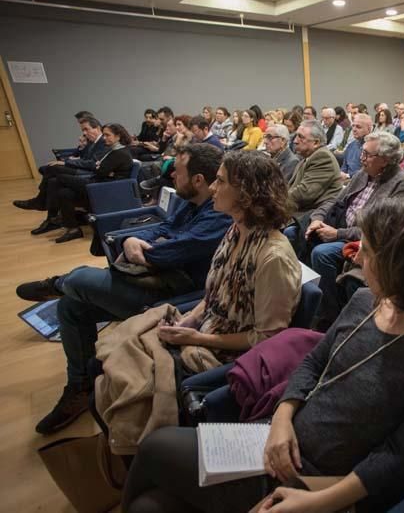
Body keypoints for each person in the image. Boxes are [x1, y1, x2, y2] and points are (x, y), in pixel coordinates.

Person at [122, 197, 404, 513]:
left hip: (321, 480)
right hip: (276, 442)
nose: (358, 257)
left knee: (154, 448)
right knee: (149, 506)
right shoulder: (366, 301)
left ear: (401, 264)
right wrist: (282, 419)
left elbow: (402, 453)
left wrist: (316, 501)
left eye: (368, 251)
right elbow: (314, 362)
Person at [23, 144, 232, 434]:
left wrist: (150, 249)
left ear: (198, 180)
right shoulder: (190, 200)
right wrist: (134, 239)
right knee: (70, 307)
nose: (172, 176)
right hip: (151, 278)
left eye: (178, 172)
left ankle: (57, 283)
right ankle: (80, 387)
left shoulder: (220, 214)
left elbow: (173, 251)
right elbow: (162, 228)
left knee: (79, 280)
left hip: (172, 296)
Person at [153, 151, 301, 368]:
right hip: (205, 331)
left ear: (247, 193)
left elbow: (267, 338)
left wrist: (196, 338)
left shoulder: (273, 258)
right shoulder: (236, 230)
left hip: (228, 359)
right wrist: (191, 320)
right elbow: (216, 296)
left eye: (220, 181)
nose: (212, 188)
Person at [306, 132, 404, 329]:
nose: (361, 158)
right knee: (304, 234)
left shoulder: (401, 183)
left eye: (367, 154)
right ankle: (316, 307)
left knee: (322, 254)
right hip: (339, 227)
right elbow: (335, 200)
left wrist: (338, 234)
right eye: (362, 153)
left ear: (385, 160)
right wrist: (318, 218)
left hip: (366, 242)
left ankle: (329, 319)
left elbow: (381, 230)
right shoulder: (363, 173)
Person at [32, 123, 134, 243]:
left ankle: (45, 208)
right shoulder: (114, 150)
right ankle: (72, 229)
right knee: (64, 193)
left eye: (107, 135)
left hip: (103, 188)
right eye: (104, 134)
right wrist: (101, 168)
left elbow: (99, 171)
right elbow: (100, 168)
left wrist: (100, 168)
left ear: (118, 136)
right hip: (100, 182)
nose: (104, 137)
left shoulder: (120, 153)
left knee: (58, 177)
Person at [14, 116, 107, 212]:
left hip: (88, 172)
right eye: (83, 130)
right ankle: (50, 215)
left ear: (97, 128)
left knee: (53, 168)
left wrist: (66, 162)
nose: (84, 133)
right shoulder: (92, 142)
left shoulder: (103, 142)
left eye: (86, 129)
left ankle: (40, 200)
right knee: (52, 180)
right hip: (83, 168)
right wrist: (70, 159)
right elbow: (82, 157)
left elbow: (92, 163)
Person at [286, 120, 343, 223]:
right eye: (296, 136)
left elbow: (304, 193)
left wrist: (276, 201)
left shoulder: (322, 157)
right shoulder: (307, 157)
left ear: (316, 142)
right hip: (300, 211)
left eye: (301, 137)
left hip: (312, 216)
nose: (295, 141)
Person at [339, 113, 373, 180]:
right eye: (353, 126)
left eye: (358, 127)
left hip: (361, 181)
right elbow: (344, 167)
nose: (354, 129)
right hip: (346, 181)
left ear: (369, 129)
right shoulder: (351, 145)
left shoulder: (373, 148)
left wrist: (348, 175)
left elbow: (368, 172)